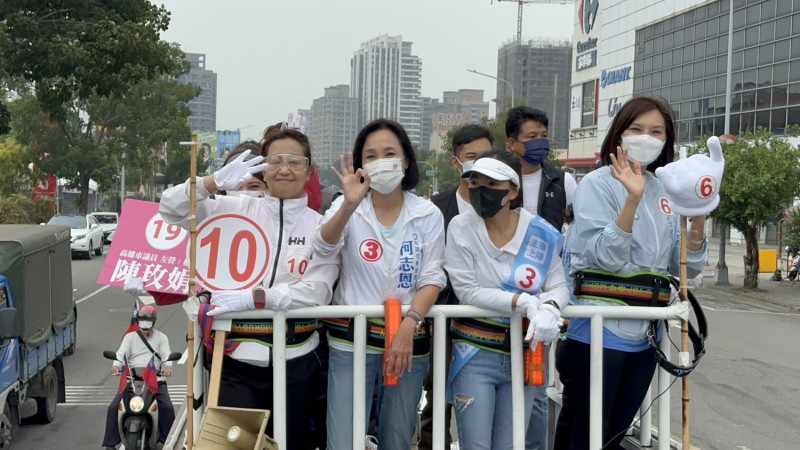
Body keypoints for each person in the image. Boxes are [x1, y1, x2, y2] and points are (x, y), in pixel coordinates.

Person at [159, 128, 339, 450]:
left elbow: (318, 291)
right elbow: (170, 210)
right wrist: (212, 183)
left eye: (295, 162)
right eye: (275, 161)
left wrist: (256, 298)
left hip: (296, 360)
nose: (284, 169)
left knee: (288, 444)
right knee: (234, 446)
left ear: (309, 170)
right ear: (263, 169)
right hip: (234, 359)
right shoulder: (232, 209)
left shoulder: (319, 225)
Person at [554, 96, 711, 449]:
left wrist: (699, 212)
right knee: (587, 432)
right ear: (619, 134)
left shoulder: (666, 191)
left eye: (656, 131)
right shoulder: (595, 184)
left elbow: (684, 265)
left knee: (615, 433)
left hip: (646, 336)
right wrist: (631, 200)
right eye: (636, 128)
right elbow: (605, 257)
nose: (646, 137)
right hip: (598, 332)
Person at [313, 118, 446, 450]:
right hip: (351, 341)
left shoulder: (427, 214)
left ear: (405, 161)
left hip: (407, 341)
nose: (381, 161)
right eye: (370, 156)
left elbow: (432, 277)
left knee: (398, 438)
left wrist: (409, 323)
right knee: (343, 440)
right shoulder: (348, 209)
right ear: (361, 166)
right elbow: (323, 245)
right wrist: (348, 204)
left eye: (389, 153)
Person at [444, 150, 568, 450]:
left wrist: (551, 307)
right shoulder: (461, 227)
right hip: (474, 353)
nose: (480, 191)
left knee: (511, 445)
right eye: (474, 183)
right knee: (475, 445)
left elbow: (558, 283)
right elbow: (467, 291)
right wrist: (520, 301)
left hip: (522, 354)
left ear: (512, 190)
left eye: (491, 185)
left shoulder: (540, 233)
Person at [419, 123, 495, 448]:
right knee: (438, 396)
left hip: (490, 323)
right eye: (471, 157)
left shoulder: (503, 206)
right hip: (443, 319)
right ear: (456, 162)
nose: (479, 165)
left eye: (486, 157)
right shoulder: (435, 208)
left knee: (482, 402)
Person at [505, 105, 576, 449]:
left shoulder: (562, 181)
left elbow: (574, 233)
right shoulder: (499, 181)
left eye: (544, 137)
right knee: (501, 382)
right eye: (531, 137)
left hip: (543, 298)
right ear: (512, 144)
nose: (539, 143)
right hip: (502, 296)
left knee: (536, 386)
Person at [102, 306, 175, 449]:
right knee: (113, 407)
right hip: (132, 381)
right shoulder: (130, 337)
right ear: (138, 321)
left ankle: (170, 441)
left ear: (153, 321)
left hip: (155, 380)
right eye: (142, 320)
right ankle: (110, 444)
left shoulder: (162, 338)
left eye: (148, 320)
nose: (145, 323)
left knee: (166, 407)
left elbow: (166, 356)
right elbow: (121, 354)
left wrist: (168, 367)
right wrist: (116, 366)